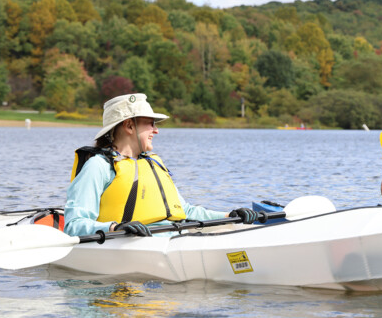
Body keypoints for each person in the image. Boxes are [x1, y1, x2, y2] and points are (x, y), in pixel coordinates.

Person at [65, 93, 258, 237]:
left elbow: (186, 212)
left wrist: (229, 215)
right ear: (129, 126)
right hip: (132, 244)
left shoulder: (152, 163)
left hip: (174, 238)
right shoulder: (98, 167)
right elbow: (73, 225)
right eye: (150, 124)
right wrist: (115, 228)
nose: (156, 130)